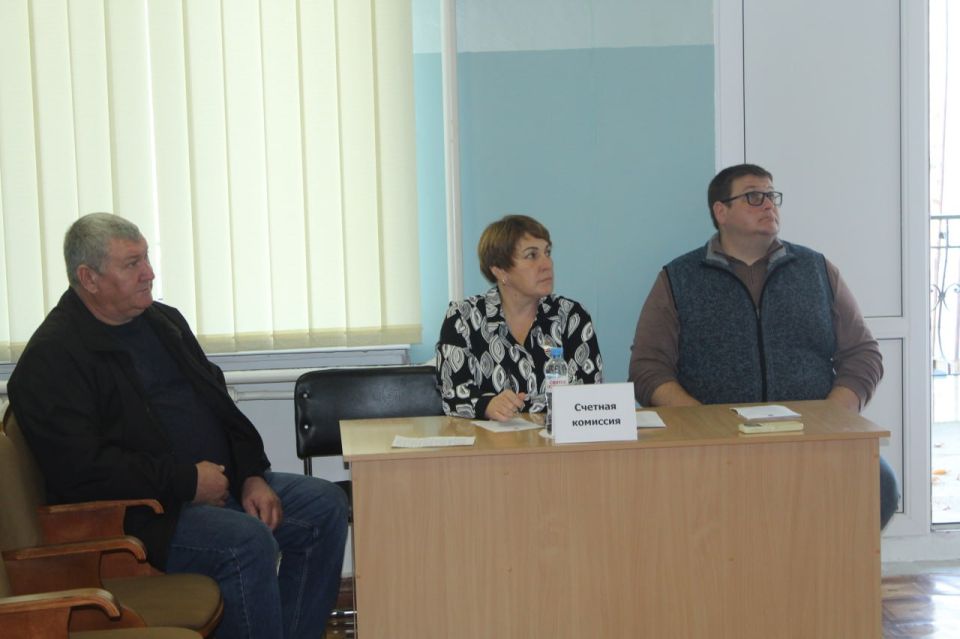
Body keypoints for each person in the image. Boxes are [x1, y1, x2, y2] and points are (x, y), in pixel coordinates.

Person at [7, 213, 348, 639]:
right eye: (132, 264)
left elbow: (220, 405)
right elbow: (83, 471)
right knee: (247, 542)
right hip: (142, 516)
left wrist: (252, 475)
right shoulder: (52, 359)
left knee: (324, 506)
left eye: (146, 258)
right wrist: (187, 482)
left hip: (215, 485)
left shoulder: (163, 322)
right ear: (88, 278)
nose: (149, 273)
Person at [628, 163, 900, 529]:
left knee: (880, 485)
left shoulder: (817, 270)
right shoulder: (678, 279)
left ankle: (828, 565)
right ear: (721, 211)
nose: (769, 204)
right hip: (715, 445)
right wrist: (702, 423)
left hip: (813, 438)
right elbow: (647, 368)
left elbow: (863, 354)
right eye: (754, 196)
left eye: (772, 195)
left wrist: (831, 416)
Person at [435, 214, 603, 420]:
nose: (547, 264)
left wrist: (518, 405)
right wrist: (487, 405)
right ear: (500, 271)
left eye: (547, 253)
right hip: (489, 440)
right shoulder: (463, 319)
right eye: (532, 255)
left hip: (555, 439)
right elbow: (452, 395)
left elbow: (589, 395)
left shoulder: (571, 317)